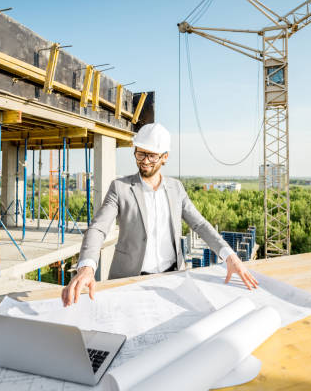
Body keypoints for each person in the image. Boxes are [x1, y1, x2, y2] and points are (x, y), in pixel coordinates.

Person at [62, 123, 258, 307]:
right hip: (129, 279)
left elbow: (200, 224)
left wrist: (229, 256)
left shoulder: (176, 188)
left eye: (152, 156)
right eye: (140, 154)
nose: (145, 161)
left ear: (165, 157)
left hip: (173, 279)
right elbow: (98, 228)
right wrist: (87, 266)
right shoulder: (120, 188)